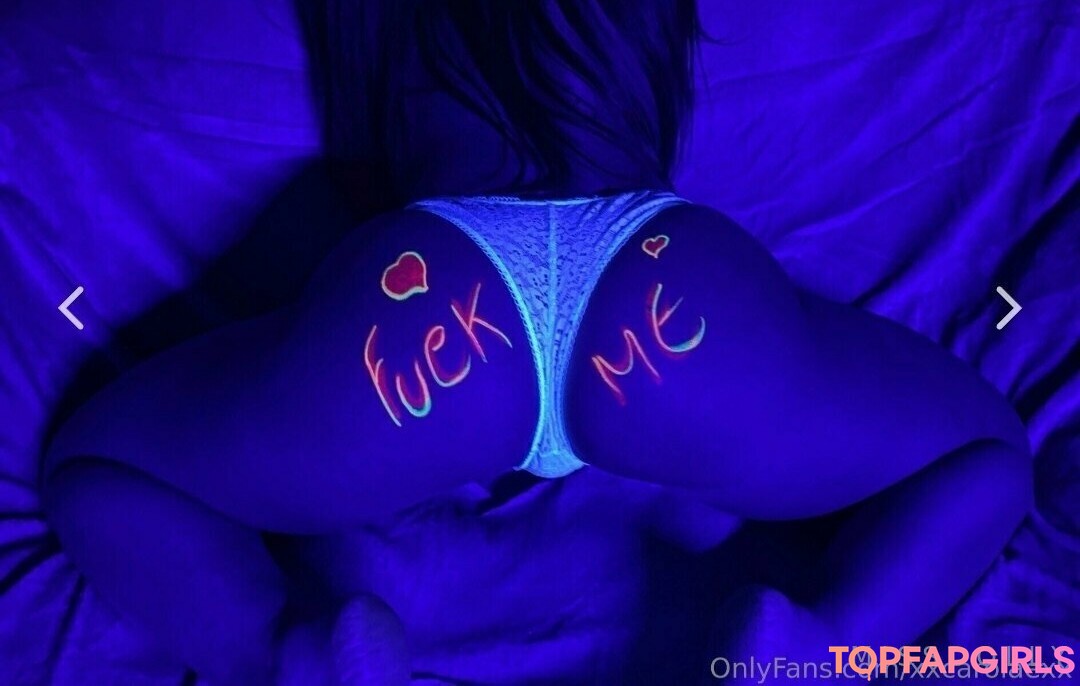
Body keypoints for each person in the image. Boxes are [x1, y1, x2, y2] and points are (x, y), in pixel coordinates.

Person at [40, 1, 1032, 684]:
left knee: (98, 469)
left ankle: (292, 658)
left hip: (430, 298)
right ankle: (815, 645)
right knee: (983, 456)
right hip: (662, 284)